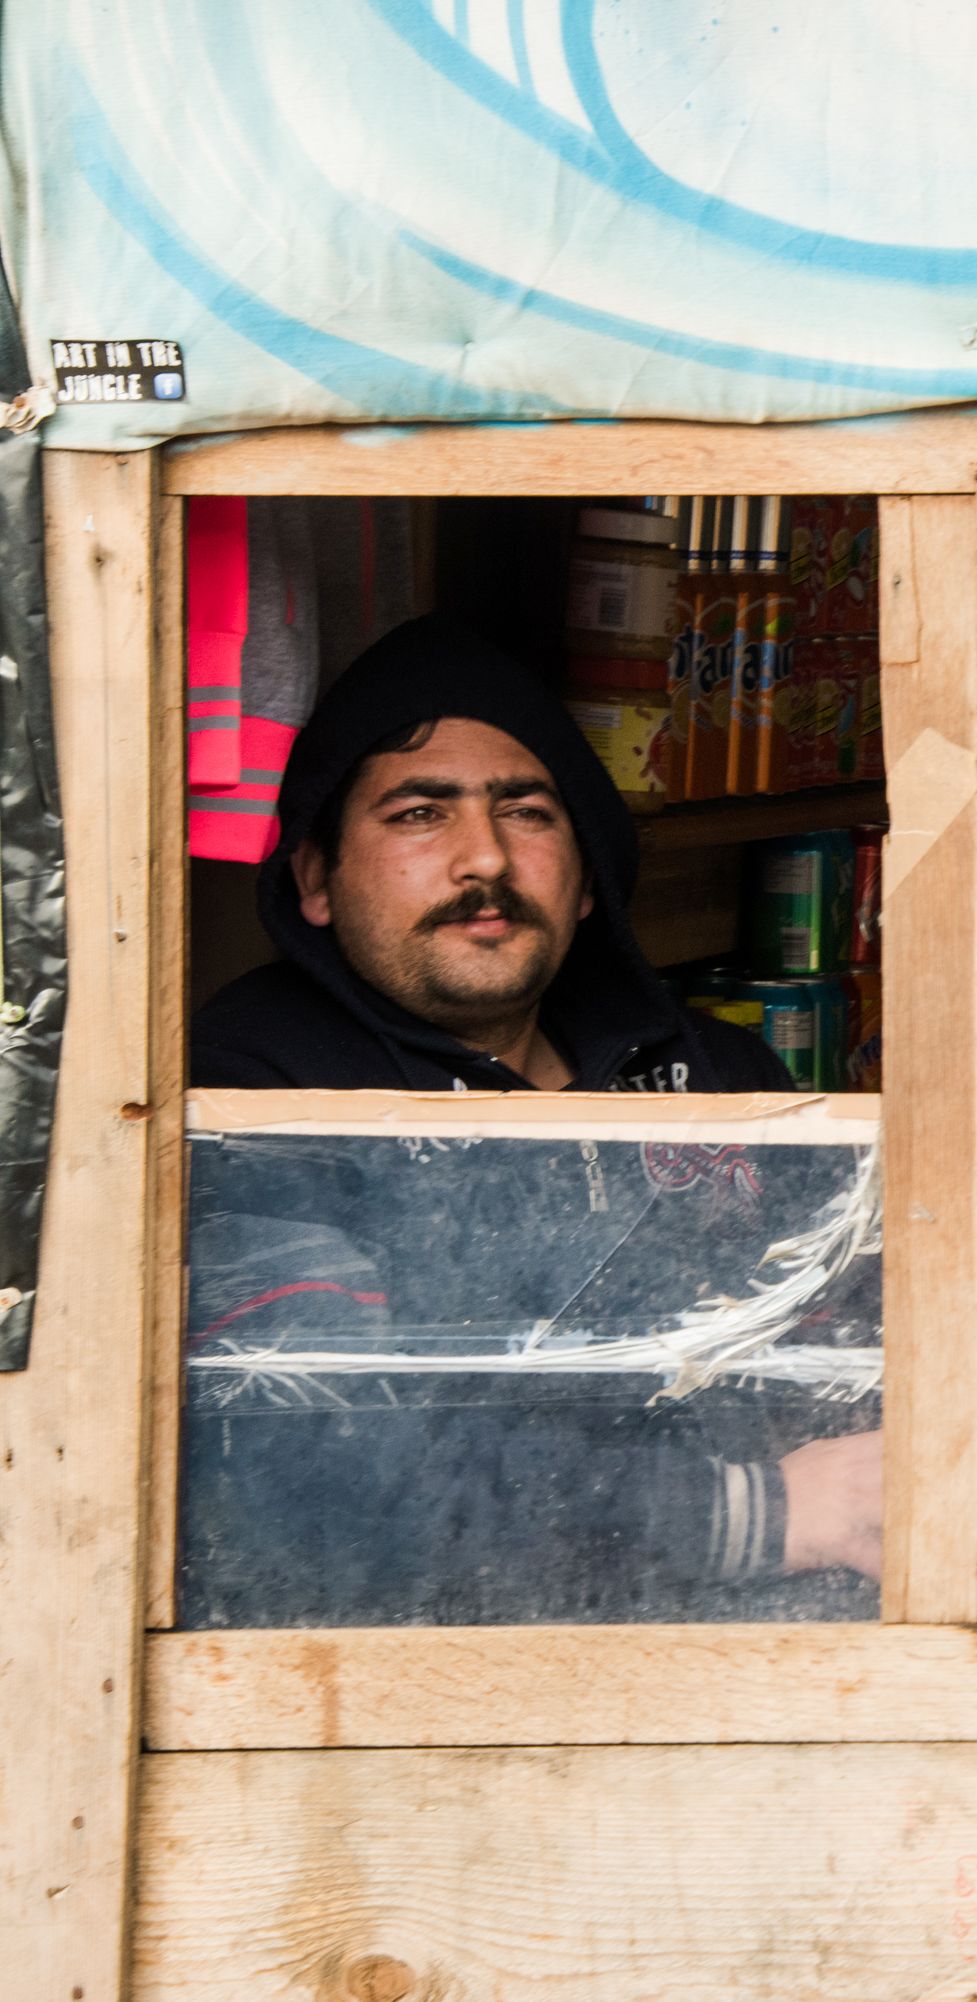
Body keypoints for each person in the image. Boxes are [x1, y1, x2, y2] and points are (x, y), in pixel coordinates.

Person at [182, 615, 882, 1624]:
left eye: (527, 812)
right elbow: (321, 1473)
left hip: (766, 1655)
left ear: (587, 874)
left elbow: (859, 1357)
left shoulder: (715, 1073)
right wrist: (763, 1513)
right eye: (420, 813)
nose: (485, 858)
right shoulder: (251, 1094)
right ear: (315, 878)